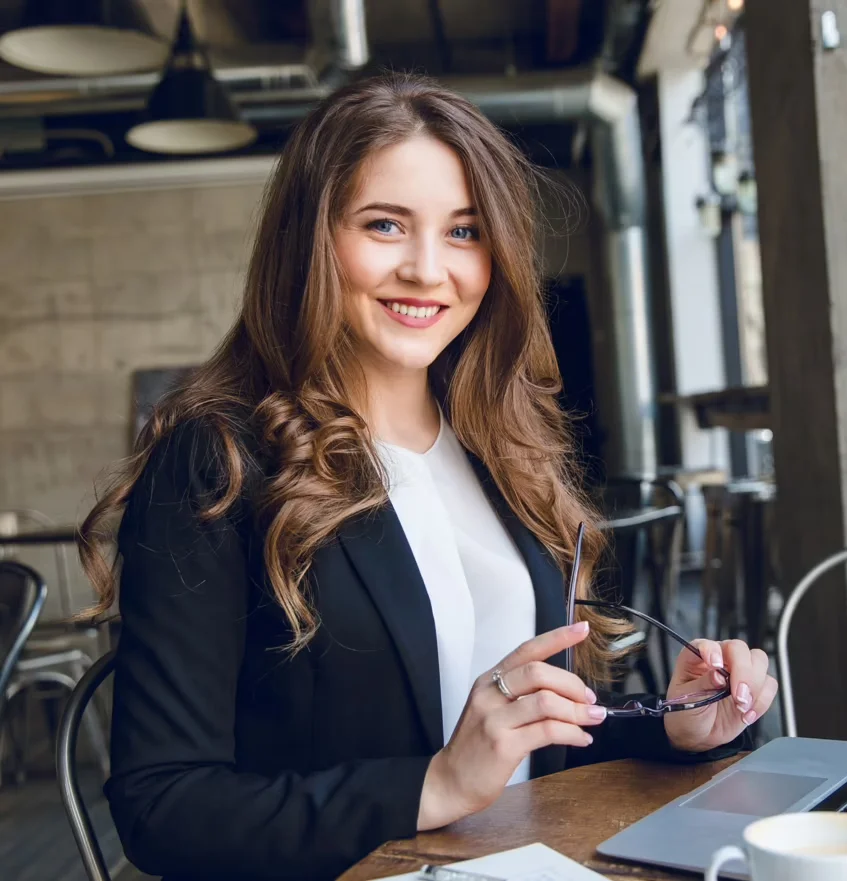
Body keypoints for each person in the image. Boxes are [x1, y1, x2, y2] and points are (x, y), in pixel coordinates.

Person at [78, 73, 777, 881]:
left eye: (463, 232)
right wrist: (434, 784)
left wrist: (678, 723)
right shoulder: (218, 459)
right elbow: (162, 808)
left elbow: (522, 754)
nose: (426, 268)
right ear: (310, 240)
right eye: (384, 225)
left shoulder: (499, 444)